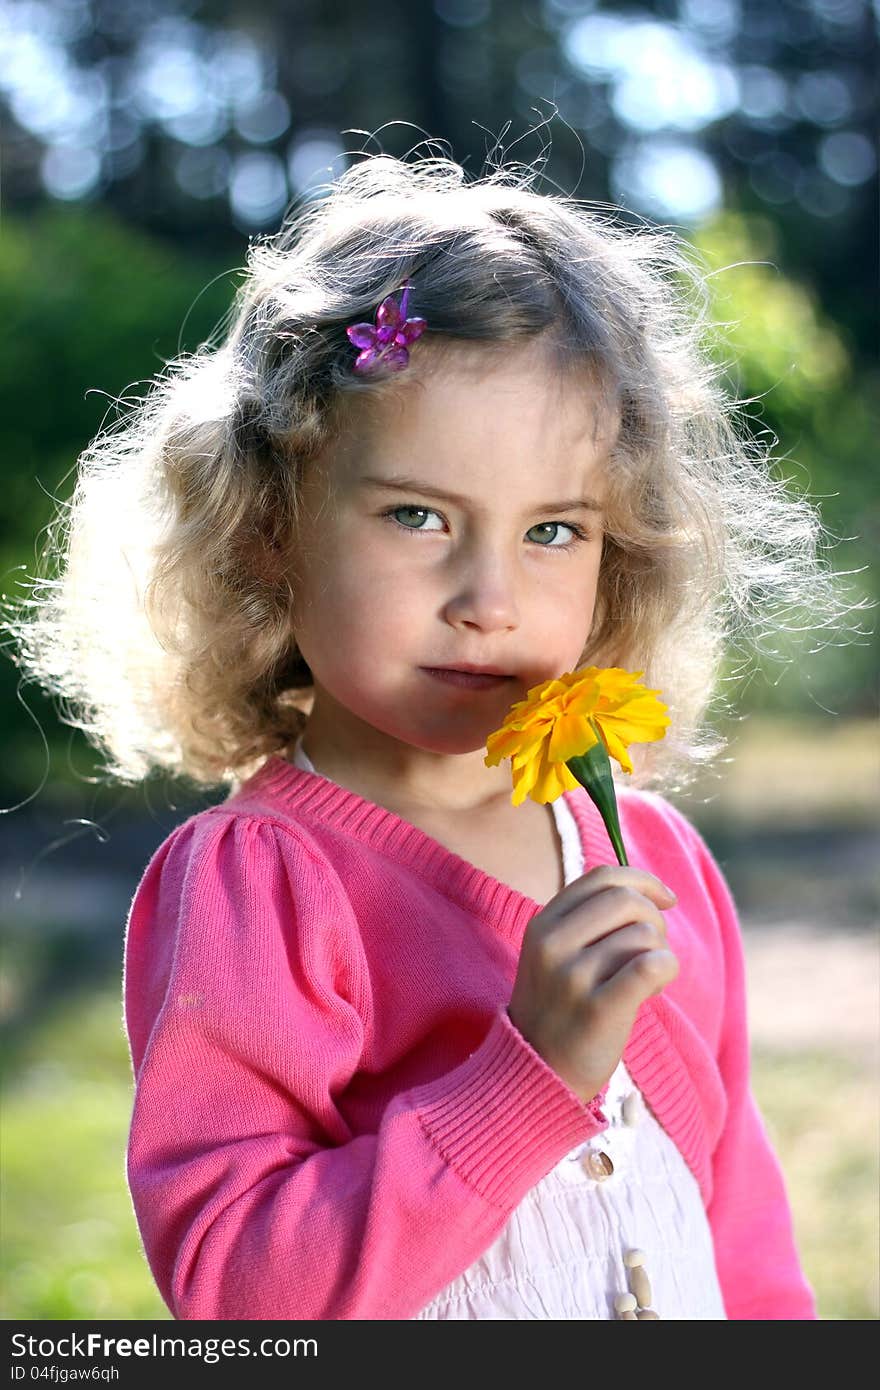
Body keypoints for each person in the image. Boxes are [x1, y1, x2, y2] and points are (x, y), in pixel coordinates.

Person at [8, 150, 844, 1321]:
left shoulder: (653, 863)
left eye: (553, 529)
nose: (488, 597)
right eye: (417, 515)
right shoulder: (261, 886)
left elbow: (742, 1235)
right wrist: (531, 1071)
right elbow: (244, 1294)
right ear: (267, 535)